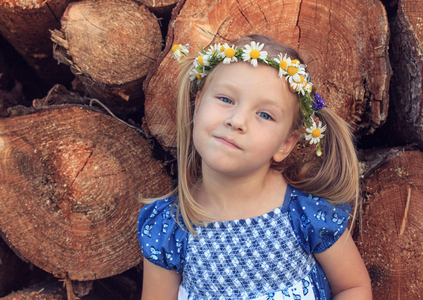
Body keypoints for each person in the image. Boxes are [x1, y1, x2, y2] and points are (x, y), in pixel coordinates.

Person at [137, 35, 372, 300]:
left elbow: (352, 287)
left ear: (286, 143)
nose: (237, 120)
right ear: (197, 103)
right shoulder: (171, 226)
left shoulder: (305, 212)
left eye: (264, 115)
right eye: (226, 99)